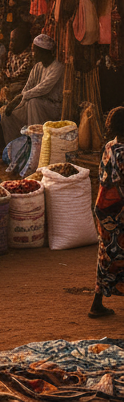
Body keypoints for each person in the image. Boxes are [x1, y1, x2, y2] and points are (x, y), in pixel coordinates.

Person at [1, 33, 65, 144]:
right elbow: (27, 88)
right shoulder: (37, 67)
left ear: (44, 52)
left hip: (54, 108)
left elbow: (43, 88)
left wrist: (20, 97)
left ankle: (35, 143)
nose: (33, 53)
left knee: (33, 102)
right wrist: (15, 103)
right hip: (35, 105)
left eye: (35, 50)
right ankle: (14, 147)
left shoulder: (57, 67)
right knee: (8, 114)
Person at [91, 107, 124, 319]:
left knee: (107, 253)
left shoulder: (110, 146)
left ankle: (97, 303)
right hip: (118, 210)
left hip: (104, 209)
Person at [0, 26, 34, 113]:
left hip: (19, 89)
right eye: (10, 40)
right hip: (9, 85)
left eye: (14, 41)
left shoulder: (28, 57)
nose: (10, 43)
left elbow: (19, 74)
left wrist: (6, 78)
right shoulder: (11, 54)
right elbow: (6, 69)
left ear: (23, 42)